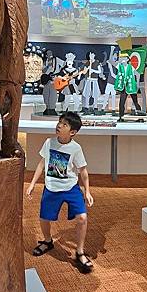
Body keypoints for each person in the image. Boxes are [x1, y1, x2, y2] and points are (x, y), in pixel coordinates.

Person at [26, 111, 94, 273]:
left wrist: (87, 192)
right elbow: (42, 164)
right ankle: (48, 241)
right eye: (59, 122)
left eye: (64, 124)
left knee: (82, 218)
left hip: (71, 188)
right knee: (44, 218)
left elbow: (83, 171)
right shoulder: (49, 142)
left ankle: (79, 252)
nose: (59, 125)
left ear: (72, 132)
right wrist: (32, 184)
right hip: (51, 188)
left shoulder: (76, 149)